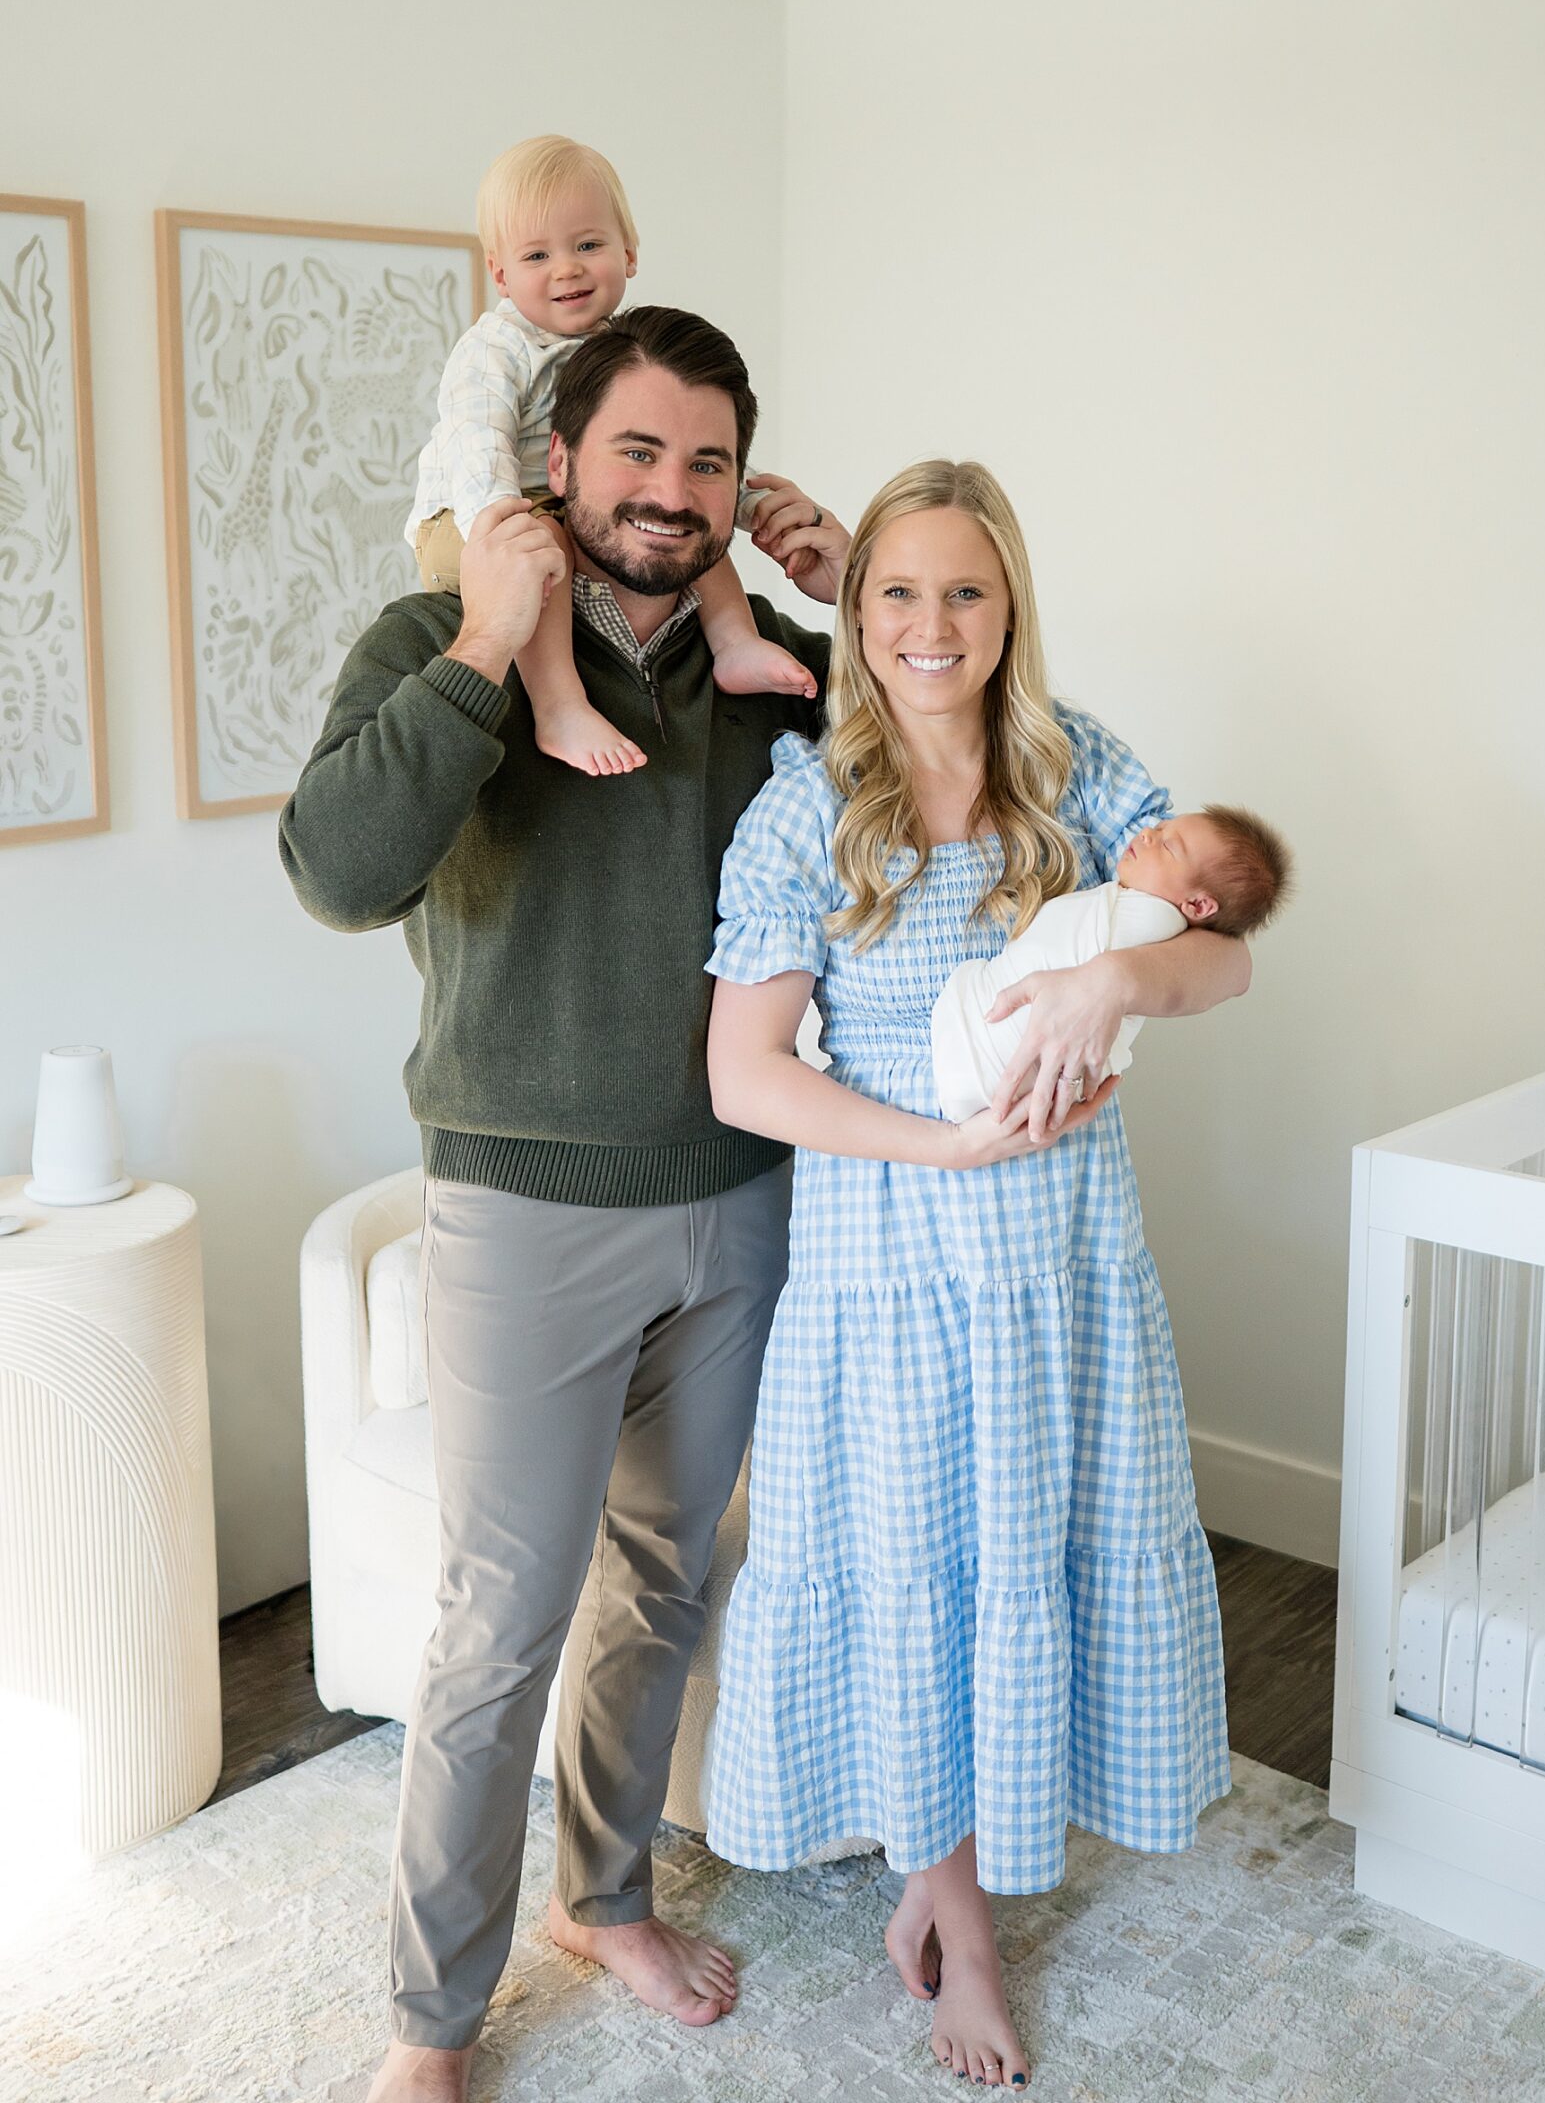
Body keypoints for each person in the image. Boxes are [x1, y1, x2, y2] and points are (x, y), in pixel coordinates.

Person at [281, 305, 847, 2103]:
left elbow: (984, 771)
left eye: (706, 461)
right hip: (521, 1210)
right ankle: (429, 2026)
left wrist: (855, 588)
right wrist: (484, 647)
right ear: (553, 461)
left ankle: (603, 1897)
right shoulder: (439, 638)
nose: (669, 492)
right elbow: (334, 872)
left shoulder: (776, 676)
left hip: (738, 1198)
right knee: (497, 1621)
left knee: (663, 1584)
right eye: (634, 451)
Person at [702, 459, 1250, 2091]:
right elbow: (743, 1074)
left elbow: (1220, 951)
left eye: (962, 592)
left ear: (1006, 607)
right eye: (895, 593)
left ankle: (982, 1862)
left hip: (1064, 1257)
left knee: (1030, 1553)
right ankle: (954, 1915)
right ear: (854, 611)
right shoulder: (807, 804)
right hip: (890, 1255)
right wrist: (942, 1152)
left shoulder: (1076, 771)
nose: (927, 626)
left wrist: (1120, 985)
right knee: (917, 1574)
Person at [406, 133, 815, 775]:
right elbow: (474, 440)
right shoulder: (496, 350)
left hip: (552, 507)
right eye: (538, 254)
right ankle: (560, 703)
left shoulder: (622, 353)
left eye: (587, 245)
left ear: (629, 255)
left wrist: (757, 509)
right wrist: (497, 526)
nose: (566, 268)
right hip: (472, 514)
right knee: (545, 543)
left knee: (691, 531)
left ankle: (735, 643)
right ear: (501, 273)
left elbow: (673, 469)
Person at [932, 803, 1290, 1120]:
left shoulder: (1152, 923)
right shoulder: (1138, 904)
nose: (1148, 833)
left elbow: (1237, 967)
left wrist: (1112, 978)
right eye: (1160, 828)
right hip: (976, 1072)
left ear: (1197, 906)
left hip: (986, 1061)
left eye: (1167, 845)